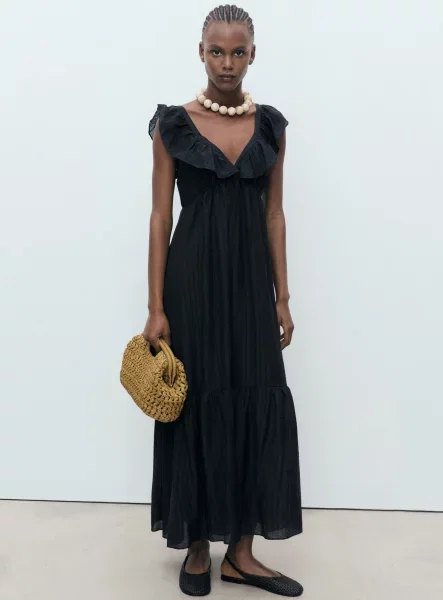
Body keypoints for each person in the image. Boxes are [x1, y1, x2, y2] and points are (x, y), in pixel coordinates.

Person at [143, 4, 303, 597]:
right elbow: (160, 217)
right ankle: (195, 545)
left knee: (255, 393)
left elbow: (274, 213)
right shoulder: (173, 125)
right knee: (197, 400)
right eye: (217, 51)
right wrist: (156, 306)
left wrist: (282, 296)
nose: (227, 63)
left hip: (250, 285)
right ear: (201, 52)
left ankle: (240, 553)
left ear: (253, 54)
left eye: (238, 52)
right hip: (192, 282)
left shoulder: (271, 126)